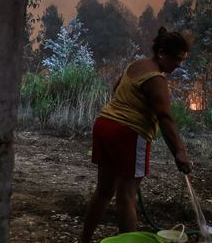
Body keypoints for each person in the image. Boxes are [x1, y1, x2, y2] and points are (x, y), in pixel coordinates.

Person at [80, 27, 193, 243]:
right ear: (161, 53)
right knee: (126, 198)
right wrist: (180, 151)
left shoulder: (137, 65)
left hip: (104, 125)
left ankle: (84, 240)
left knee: (104, 190)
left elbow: (115, 89)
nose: (179, 65)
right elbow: (166, 117)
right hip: (128, 133)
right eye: (177, 59)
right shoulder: (156, 80)